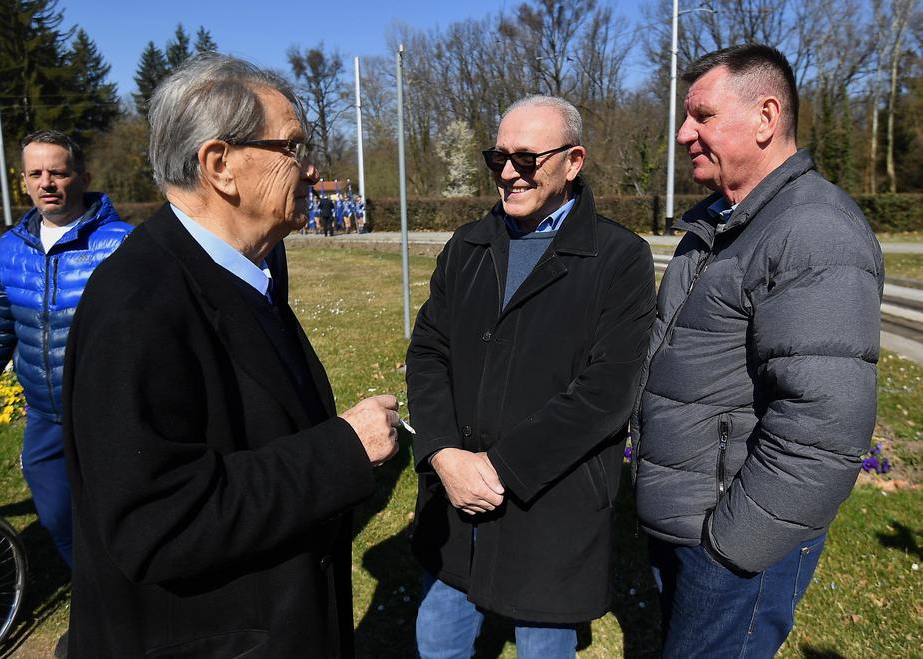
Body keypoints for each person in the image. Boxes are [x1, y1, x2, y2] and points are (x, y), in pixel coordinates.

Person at [62, 54, 400, 657]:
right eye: (292, 147)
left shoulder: (247, 271)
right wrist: (342, 450)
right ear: (220, 165)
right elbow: (156, 522)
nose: (311, 166)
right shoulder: (138, 306)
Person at [630, 44, 884, 657]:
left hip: (737, 542)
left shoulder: (813, 231)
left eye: (702, 115)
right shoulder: (722, 224)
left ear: (767, 118)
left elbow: (823, 428)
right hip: (688, 520)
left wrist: (731, 548)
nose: (684, 132)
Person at [407, 95, 656, 658]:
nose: (510, 173)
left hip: (550, 506)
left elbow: (606, 392)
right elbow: (428, 352)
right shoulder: (467, 246)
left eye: (527, 158)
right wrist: (445, 453)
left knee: (544, 645)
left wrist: (498, 468)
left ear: (573, 161)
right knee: (439, 643)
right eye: (498, 159)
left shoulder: (619, 258)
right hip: (454, 499)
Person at [0, 130, 131, 570]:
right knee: (56, 516)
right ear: (24, 181)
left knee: (118, 518)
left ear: (82, 176)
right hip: (45, 418)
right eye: (36, 173)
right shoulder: (10, 250)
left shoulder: (122, 245)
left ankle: (132, 607)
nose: (46, 182)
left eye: (58, 172)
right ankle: (91, 599)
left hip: (107, 416)